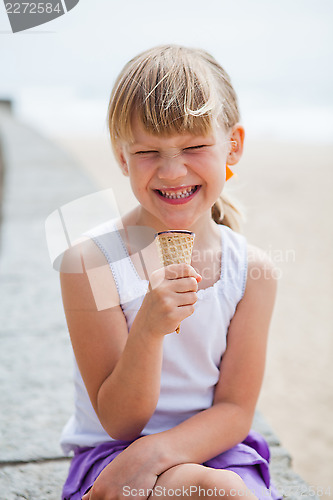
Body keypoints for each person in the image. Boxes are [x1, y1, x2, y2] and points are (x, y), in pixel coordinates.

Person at [60, 44, 282, 499]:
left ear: (233, 146)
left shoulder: (252, 271)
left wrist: (155, 454)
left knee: (224, 489)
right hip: (112, 453)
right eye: (148, 152)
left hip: (212, 448)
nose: (173, 171)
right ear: (122, 159)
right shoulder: (90, 264)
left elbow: (236, 410)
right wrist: (147, 329)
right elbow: (120, 421)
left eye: (195, 146)